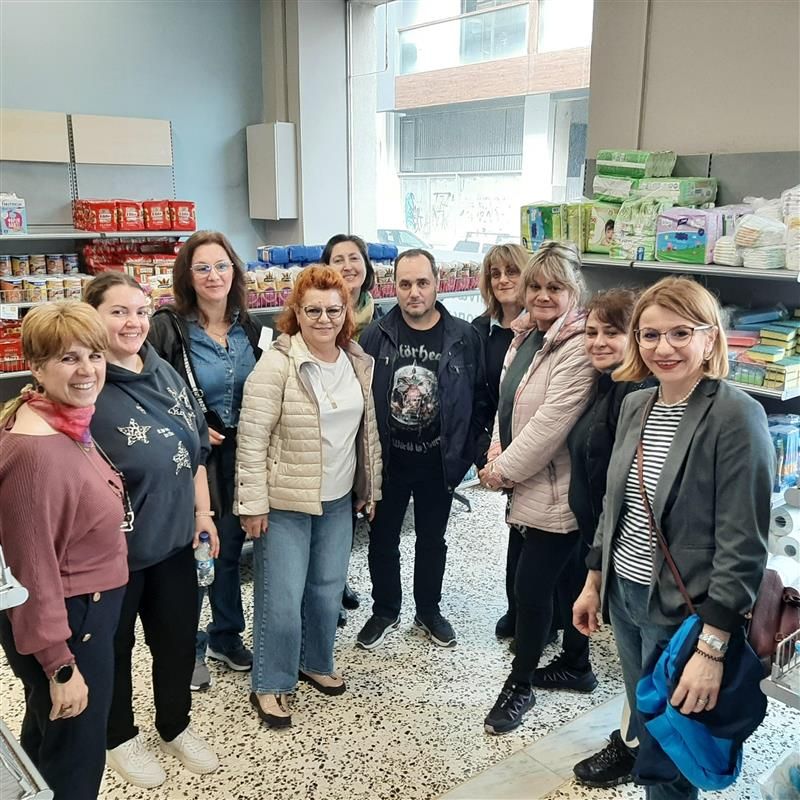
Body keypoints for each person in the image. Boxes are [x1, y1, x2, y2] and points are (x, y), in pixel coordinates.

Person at [573, 276, 774, 800]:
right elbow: (615, 505)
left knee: (673, 756)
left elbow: (743, 546)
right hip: (626, 598)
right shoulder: (636, 405)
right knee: (649, 730)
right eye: (650, 334)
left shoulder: (736, 416)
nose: (663, 347)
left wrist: (712, 648)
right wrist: (594, 581)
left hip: (687, 616)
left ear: (710, 338)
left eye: (680, 333)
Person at [84, 273, 220, 789]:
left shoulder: (162, 369)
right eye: (118, 312)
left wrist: (203, 515)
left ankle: (175, 724)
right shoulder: (87, 384)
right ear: (92, 317)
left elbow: (196, 450)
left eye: (140, 311)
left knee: (177, 639)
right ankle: (118, 736)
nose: (133, 323)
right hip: (112, 554)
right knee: (112, 648)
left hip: (174, 540)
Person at [236, 265, 382, 729]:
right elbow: (252, 439)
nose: (324, 319)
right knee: (281, 599)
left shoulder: (355, 360)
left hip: (337, 501)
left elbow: (366, 434)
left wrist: (369, 488)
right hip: (284, 504)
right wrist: (253, 504)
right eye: (313, 310)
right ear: (296, 312)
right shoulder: (278, 363)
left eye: (333, 310)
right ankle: (270, 682)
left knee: (326, 591)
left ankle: (315, 662)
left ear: (346, 313)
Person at [0, 302, 129, 800]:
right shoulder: (37, 454)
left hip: (83, 612)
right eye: (68, 358)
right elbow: (31, 573)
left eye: (94, 355)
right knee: (76, 756)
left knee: (50, 739)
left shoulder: (60, 419)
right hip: (73, 625)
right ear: (36, 367)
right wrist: (61, 666)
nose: (87, 370)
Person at [478, 241, 596, 735]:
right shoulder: (528, 334)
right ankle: (577, 665)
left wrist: (500, 471)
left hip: (560, 489)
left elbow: (549, 426)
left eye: (555, 287)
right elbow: (508, 402)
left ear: (574, 292)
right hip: (532, 484)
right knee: (566, 581)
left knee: (530, 589)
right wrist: (495, 450)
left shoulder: (578, 347)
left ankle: (519, 684)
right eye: (537, 286)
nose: (543, 295)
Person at [356, 248, 491, 650]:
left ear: (437, 284)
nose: (413, 292)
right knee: (382, 538)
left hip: (439, 461)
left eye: (422, 283)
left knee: (432, 540)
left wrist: (466, 453)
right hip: (390, 460)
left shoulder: (463, 337)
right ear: (393, 287)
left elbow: (480, 399)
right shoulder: (375, 335)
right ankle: (385, 610)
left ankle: (428, 610)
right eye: (405, 284)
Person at [148, 230, 262, 691]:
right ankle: (188, 649)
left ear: (234, 271)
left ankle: (225, 635)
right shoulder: (168, 327)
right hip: (190, 458)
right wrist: (189, 423)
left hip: (239, 454)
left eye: (221, 266)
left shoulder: (248, 327)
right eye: (202, 268)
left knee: (229, 548)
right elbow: (146, 390)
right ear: (187, 276)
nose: (213, 276)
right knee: (196, 551)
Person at [566, 289, 649, 788]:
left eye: (611, 333)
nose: (597, 342)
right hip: (603, 543)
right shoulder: (607, 384)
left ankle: (635, 751)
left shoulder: (635, 396)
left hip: (625, 549)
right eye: (591, 332)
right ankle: (635, 743)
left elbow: (623, 488)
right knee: (631, 661)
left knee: (641, 666)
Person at [321, 233, 381, 621]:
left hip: (369, 431)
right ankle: (328, 591)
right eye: (338, 259)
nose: (347, 266)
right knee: (331, 515)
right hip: (331, 432)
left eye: (354, 258)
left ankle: (338, 581)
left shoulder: (382, 318)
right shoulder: (317, 315)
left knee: (357, 515)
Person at [471, 243, 526, 640]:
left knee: (538, 532)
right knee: (516, 525)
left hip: (537, 445)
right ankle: (516, 608)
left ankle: (544, 614)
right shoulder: (480, 331)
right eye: (495, 273)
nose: (503, 280)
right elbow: (477, 397)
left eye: (512, 271)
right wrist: (483, 453)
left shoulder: (543, 328)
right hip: (498, 446)